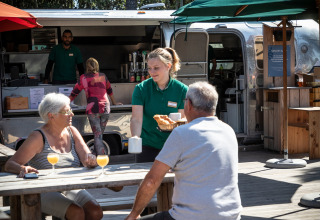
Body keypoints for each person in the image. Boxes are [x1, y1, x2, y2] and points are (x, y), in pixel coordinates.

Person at [126, 81, 242, 220]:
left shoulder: (182, 132)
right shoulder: (228, 131)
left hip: (191, 216)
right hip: (232, 215)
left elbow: (151, 181)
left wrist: (133, 215)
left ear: (189, 104)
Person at [4, 93, 103, 220]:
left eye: (71, 110)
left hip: (69, 186)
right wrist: (22, 168)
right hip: (43, 190)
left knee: (95, 211)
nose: (72, 114)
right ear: (51, 115)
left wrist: (92, 161)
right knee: (76, 213)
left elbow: (86, 158)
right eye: (66, 111)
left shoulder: (72, 131)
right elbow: (10, 164)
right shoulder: (38, 137)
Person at [130, 47, 188, 163]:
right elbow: (136, 119)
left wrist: (176, 124)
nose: (152, 72)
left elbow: (184, 119)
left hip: (173, 147)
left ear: (168, 66)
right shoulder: (141, 89)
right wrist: (136, 136)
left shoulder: (182, 90)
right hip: (147, 147)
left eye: (156, 68)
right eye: (150, 68)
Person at [69, 57, 121, 155]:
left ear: (87, 67)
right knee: (99, 135)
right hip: (105, 108)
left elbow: (74, 92)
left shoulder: (83, 78)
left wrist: (65, 103)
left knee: (97, 135)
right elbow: (109, 90)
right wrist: (114, 103)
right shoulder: (103, 76)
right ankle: (99, 156)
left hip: (93, 108)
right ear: (97, 66)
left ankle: (100, 159)